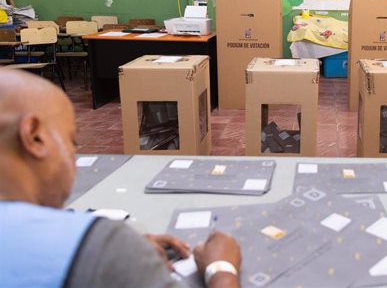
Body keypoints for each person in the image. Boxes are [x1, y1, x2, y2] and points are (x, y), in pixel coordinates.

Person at [0, 70, 241, 288]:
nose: (74, 156)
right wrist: (221, 269)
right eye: (71, 141)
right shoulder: (102, 248)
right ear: (34, 136)